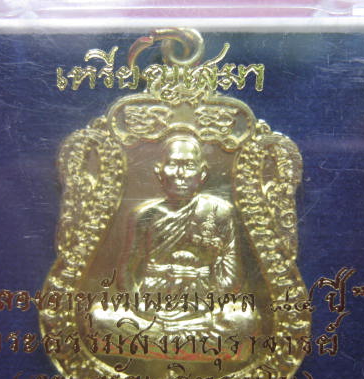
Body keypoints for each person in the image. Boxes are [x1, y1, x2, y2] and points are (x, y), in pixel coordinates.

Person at [92, 134, 257, 337]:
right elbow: (126, 273)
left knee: (244, 319)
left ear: (203, 172)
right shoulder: (144, 215)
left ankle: (159, 337)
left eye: (189, 165)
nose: (180, 174)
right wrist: (143, 308)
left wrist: (204, 305)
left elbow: (233, 278)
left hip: (202, 309)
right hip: (151, 307)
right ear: (159, 171)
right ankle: (175, 336)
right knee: (99, 317)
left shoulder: (219, 211)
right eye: (173, 164)